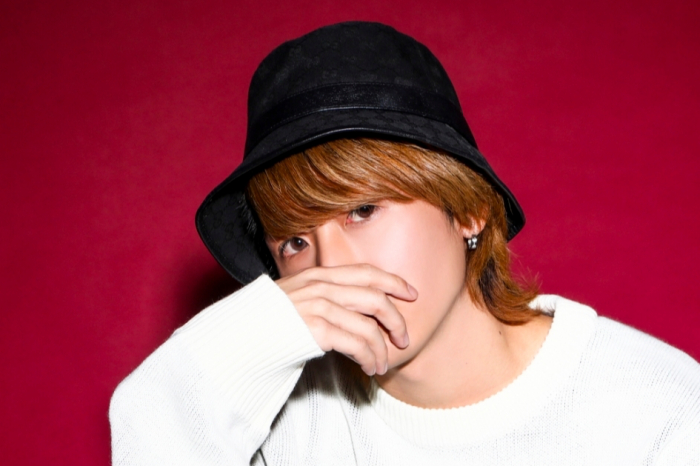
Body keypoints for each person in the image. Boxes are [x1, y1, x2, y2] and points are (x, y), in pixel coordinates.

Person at [109, 21, 700, 465]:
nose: (332, 269)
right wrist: (255, 334)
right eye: (293, 243)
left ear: (467, 209)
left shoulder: (657, 409)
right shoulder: (279, 418)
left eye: (362, 211)